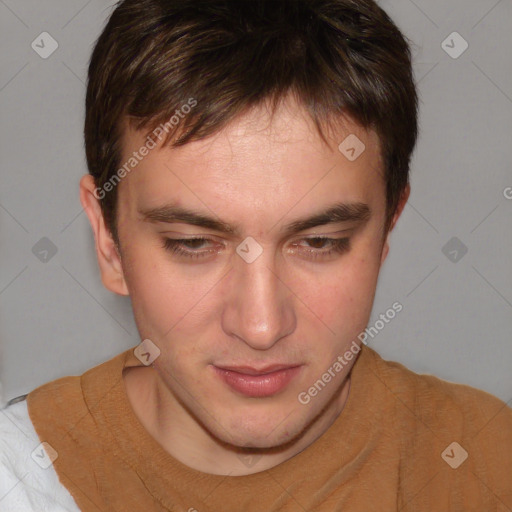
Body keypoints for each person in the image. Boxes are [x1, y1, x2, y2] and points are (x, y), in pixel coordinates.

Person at [1, 0, 511, 510]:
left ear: (387, 228)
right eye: (193, 243)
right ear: (108, 240)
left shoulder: (488, 464)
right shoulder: (20, 482)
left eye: (319, 242)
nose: (261, 326)